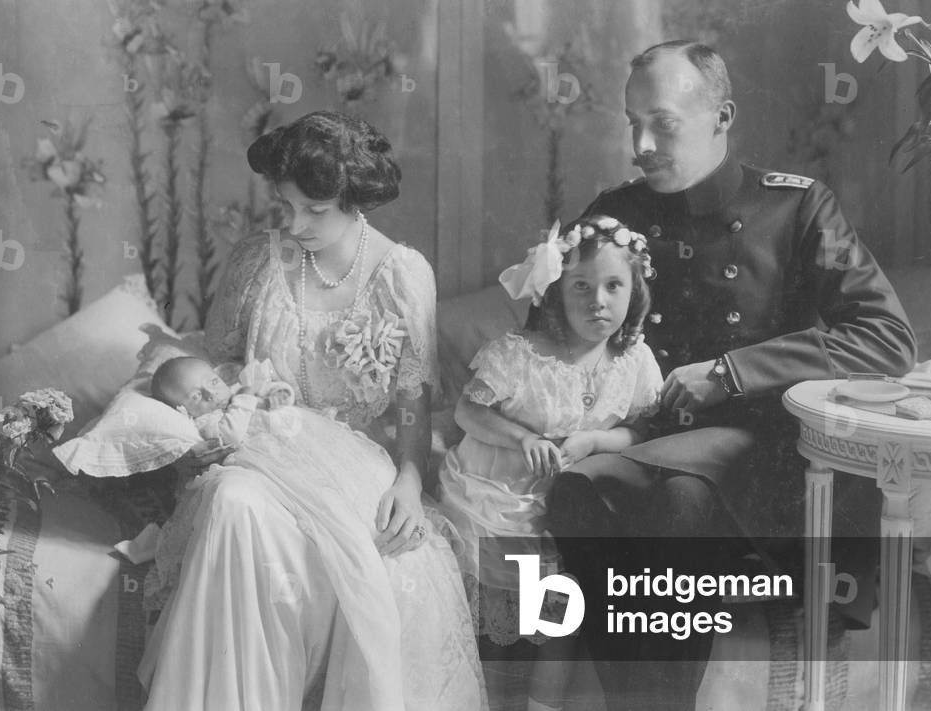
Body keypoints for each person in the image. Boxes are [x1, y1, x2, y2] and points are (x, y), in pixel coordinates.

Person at [545, 41, 917, 710]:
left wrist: (733, 371)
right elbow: (547, 327)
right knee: (576, 491)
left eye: (662, 123)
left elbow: (886, 337)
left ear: (722, 116)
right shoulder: (615, 213)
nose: (641, 145)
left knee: (678, 499)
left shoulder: (798, 207)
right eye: (632, 124)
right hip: (642, 436)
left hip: (762, 455)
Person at [137, 110, 487, 711]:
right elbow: (218, 364)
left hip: (354, 471)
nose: (295, 225)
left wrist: (409, 478)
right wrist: (211, 419)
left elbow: (413, 400)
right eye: (287, 205)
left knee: (370, 568)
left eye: (315, 210)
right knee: (231, 503)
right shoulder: (255, 261)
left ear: (356, 201)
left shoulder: (403, 275)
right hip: (262, 455)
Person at [437, 216, 664, 711]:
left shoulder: (635, 361)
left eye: (613, 286)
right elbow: (467, 412)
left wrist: (598, 439)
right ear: (557, 292)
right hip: (496, 493)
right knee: (498, 620)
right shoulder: (520, 354)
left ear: (634, 293)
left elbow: (645, 428)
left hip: (564, 502)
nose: (597, 301)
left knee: (564, 614)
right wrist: (523, 437)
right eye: (581, 286)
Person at [150, 356, 295, 446]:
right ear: (182, 411)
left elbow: (266, 390)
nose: (211, 394)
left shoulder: (235, 392)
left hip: (288, 438)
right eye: (196, 396)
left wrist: (280, 392)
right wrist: (245, 397)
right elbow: (231, 436)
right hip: (260, 458)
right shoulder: (206, 422)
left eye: (213, 382)